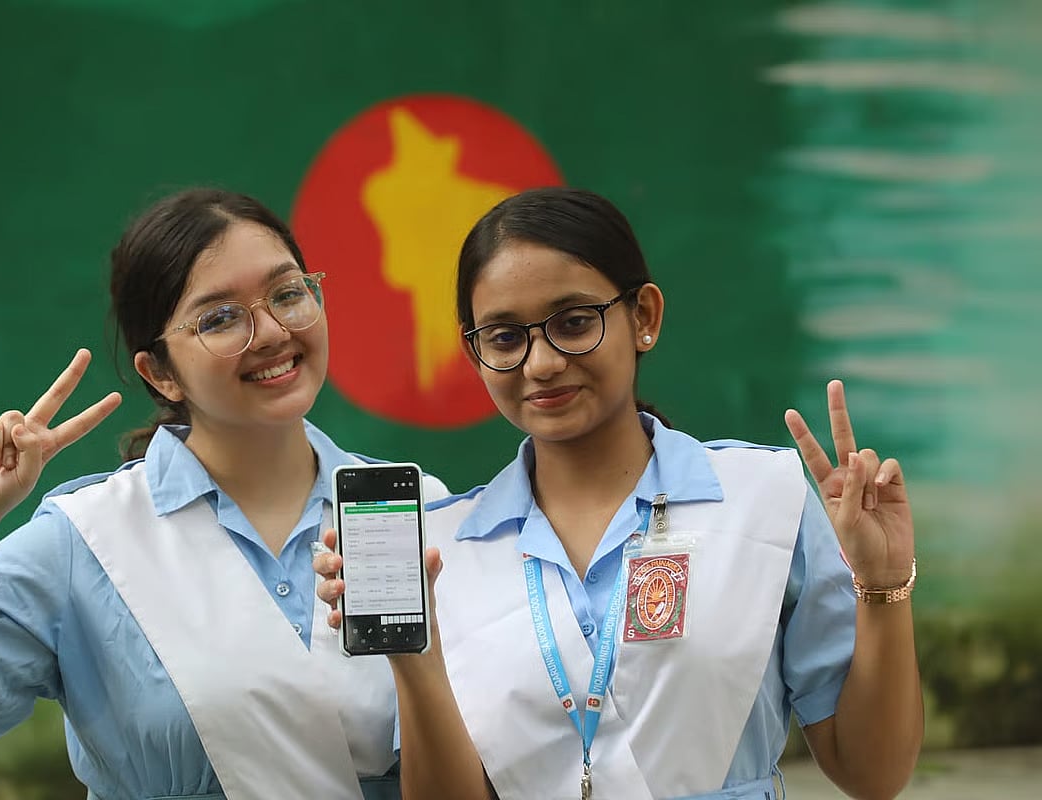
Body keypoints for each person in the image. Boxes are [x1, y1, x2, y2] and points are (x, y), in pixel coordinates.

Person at [316, 187, 923, 800]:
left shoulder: (762, 499)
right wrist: (416, 657)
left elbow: (872, 774)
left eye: (574, 323)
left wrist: (882, 584)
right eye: (504, 338)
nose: (542, 362)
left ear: (644, 317)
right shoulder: (445, 552)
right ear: (475, 353)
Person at [0, 188, 447, 800]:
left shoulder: (416, 509)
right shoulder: (89, 538)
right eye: (219, 318)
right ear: (159, 373)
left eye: (288, 293)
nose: (270, 332)